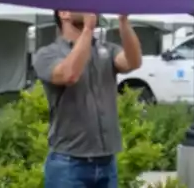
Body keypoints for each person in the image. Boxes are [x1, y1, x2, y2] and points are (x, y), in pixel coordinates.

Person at [32, 11, 143, 188]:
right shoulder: (47, 54)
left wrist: (123, 22)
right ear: (64, 13)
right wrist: (88, 29)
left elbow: (133, 62)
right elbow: (69, 75)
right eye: (80, 3)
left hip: (107, 162)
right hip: (68, 164)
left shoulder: (106, 49)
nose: (89, 7)